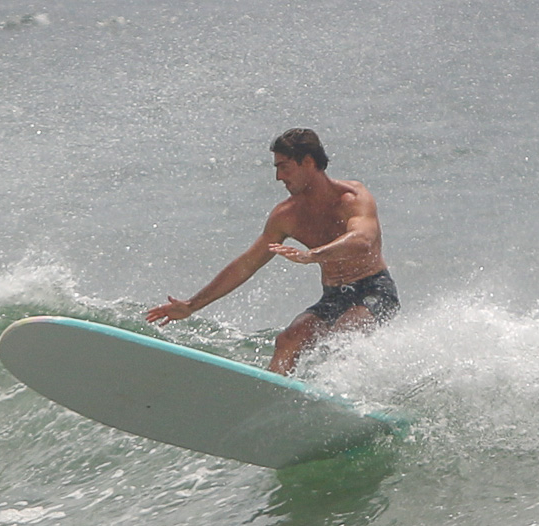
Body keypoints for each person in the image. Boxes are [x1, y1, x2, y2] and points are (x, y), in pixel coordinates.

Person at [146, 128, 399, 375]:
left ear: (308, 162)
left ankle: (344, 400)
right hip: (333, 296)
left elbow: (363, 239)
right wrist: (192, 305)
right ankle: (275, 398)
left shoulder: (352, 198)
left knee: (346, 330)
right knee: (288, 340)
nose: (279, 177)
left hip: (374, 290)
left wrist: (313, 255)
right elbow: (247, 264)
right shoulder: (286, 215)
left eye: (284, 166)